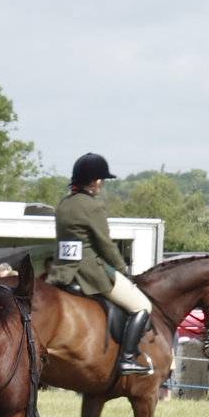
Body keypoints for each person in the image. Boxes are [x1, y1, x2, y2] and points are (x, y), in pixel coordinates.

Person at [45, 152, 153, 376]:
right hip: (89, 272)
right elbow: (105, 245)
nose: (102, 184)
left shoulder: (64, 204)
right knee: (142, 306)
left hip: (62, 272)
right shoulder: (92, 206)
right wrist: (123, 270)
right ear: (94, 181)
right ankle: (128, 358)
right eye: (101, 180)